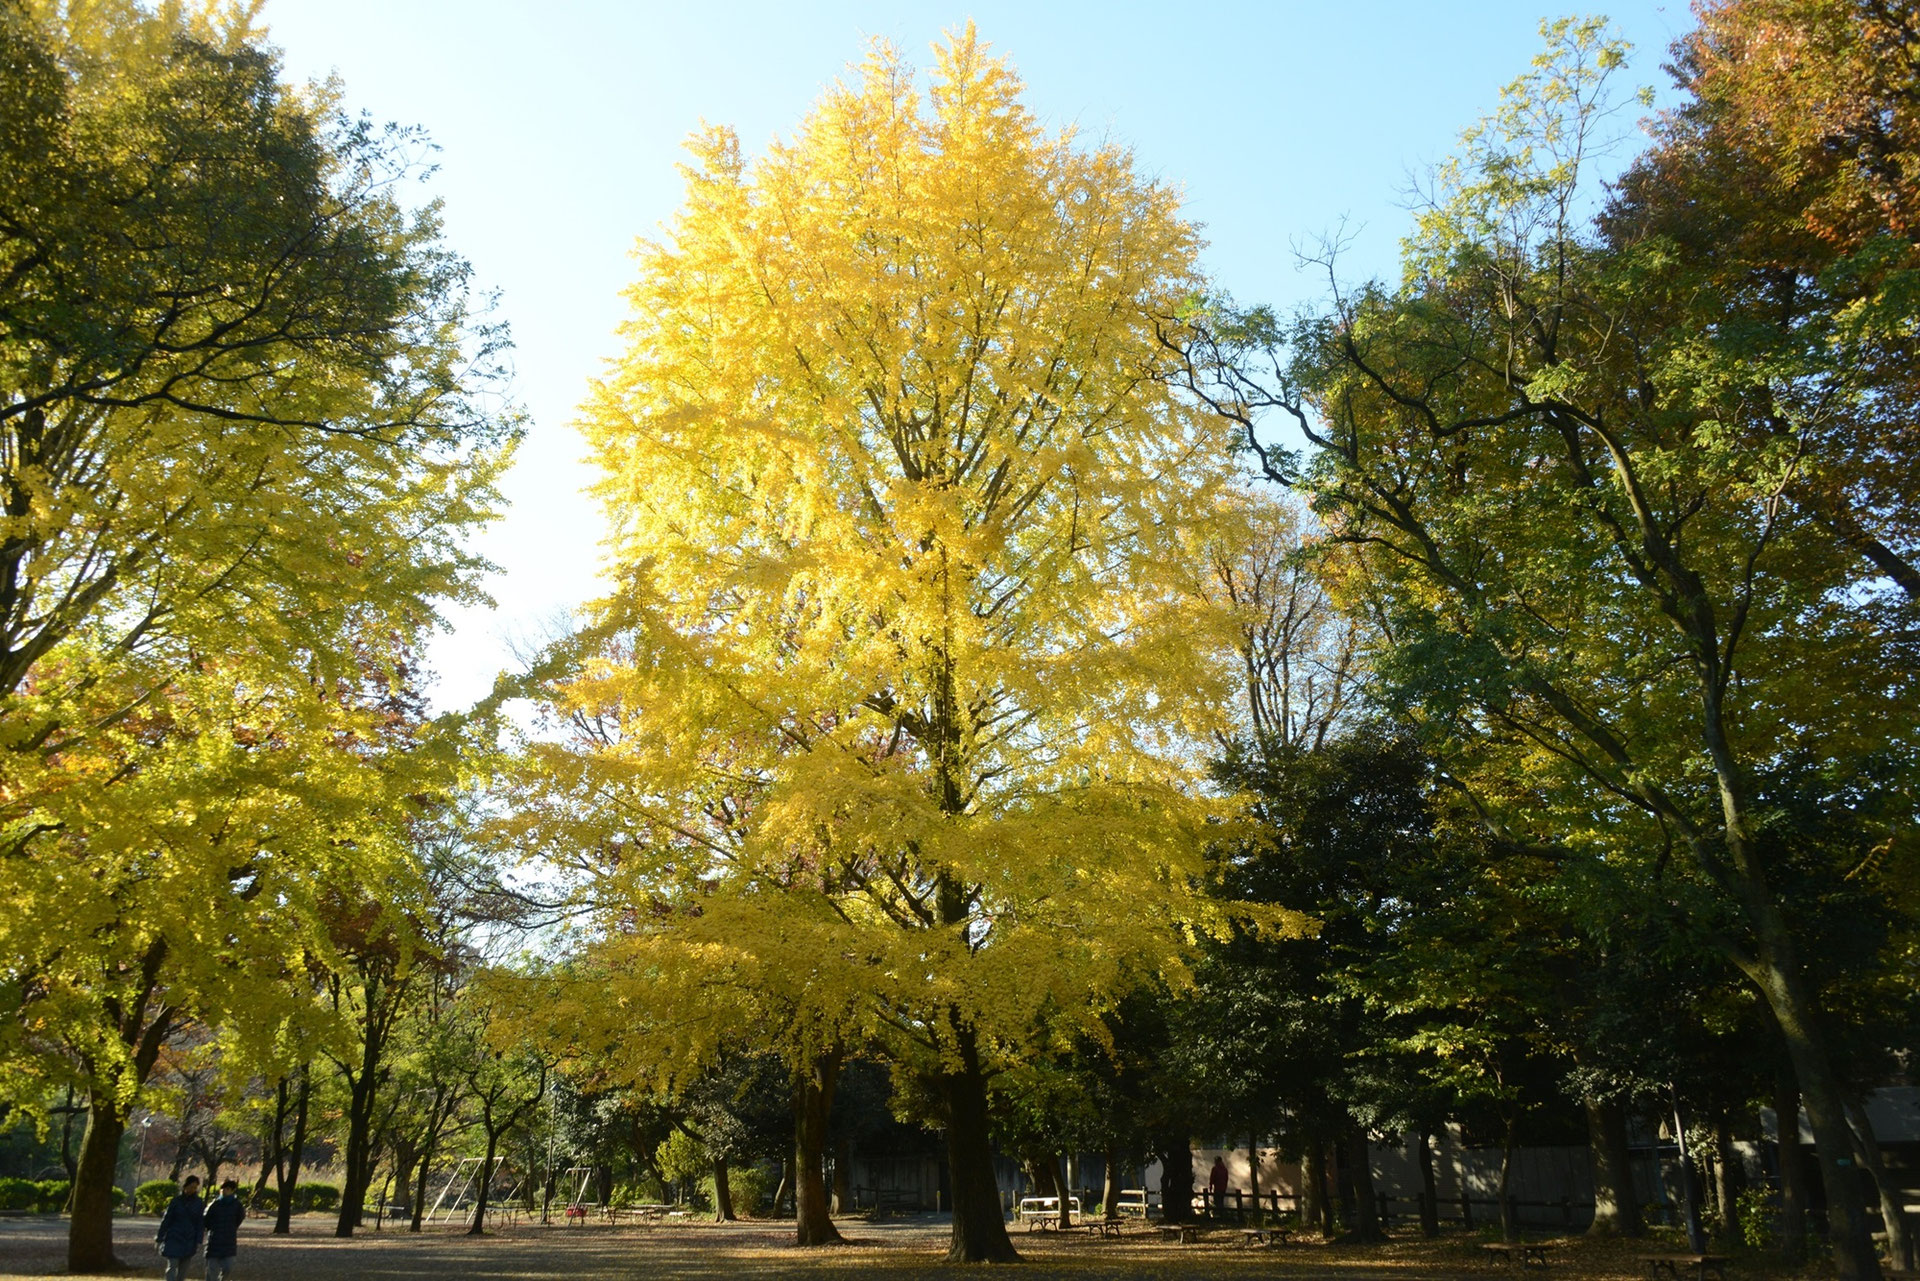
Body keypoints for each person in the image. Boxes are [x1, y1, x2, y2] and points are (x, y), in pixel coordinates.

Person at [154, 1175, 205, 1281]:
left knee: (183, 1270)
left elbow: (200, 1222)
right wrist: (160, 1237)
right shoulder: (176, 1202)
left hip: (189, 1239)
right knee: (172, 1266)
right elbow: (166, 1220)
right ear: (185, 1186)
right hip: (174, 1237)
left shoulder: (198, 1203)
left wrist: (199, 1239)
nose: (192, 1190)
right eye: (191, 1186)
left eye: (195, 1187)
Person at [201, 1177, 245, 1280]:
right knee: (211, 1271)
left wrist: (231, 1228)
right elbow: (206, 1219)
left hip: (229, 1242)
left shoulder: (237, 1205)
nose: (224, 1191)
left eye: (227, 1189)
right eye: (223, 1189)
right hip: (214, 1241)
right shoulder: (214, 1204)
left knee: (228, 1268)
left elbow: (239, 1218)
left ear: (232, 1191)